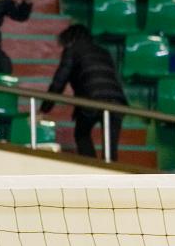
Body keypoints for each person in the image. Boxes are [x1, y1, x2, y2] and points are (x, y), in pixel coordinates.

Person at [41, 24, 128, 160]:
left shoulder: (72, 50)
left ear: (70, 39)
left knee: (81, 134)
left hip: (91, 99)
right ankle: (110, 177)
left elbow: (59, 82)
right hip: (117, 102)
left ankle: (91, 169)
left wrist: (44, 110)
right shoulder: (103, 51)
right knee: (110, 150)